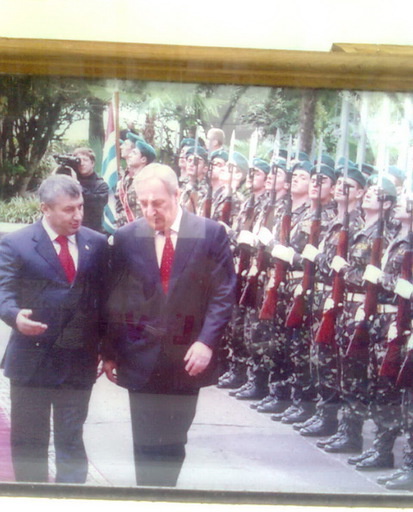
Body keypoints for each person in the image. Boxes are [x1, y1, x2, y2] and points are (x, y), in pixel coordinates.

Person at [103, 163, 236, 487]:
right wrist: (109, 352)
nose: (150, 211)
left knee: (175, 440)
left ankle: (166, 496)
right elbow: (114, 299)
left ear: (177, 195)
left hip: (186, 358)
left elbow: (223, 294)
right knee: (145, 441)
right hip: (140, 356)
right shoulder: (127, 237)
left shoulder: (208, 233)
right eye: (143, 203)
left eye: (158, 203)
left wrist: (206, 342)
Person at [0, 174, 108, 483]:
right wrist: (14, 316)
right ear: (45, 209)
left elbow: (105, 300)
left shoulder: (96, 244)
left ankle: (71, 500)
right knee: (29, 443)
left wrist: (107, 349)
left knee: (71, 439)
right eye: (68, 209)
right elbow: (3, 291)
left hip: (77, 361)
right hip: (31, 361)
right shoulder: (16, 243)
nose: (77, 216)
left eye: (80, 207)